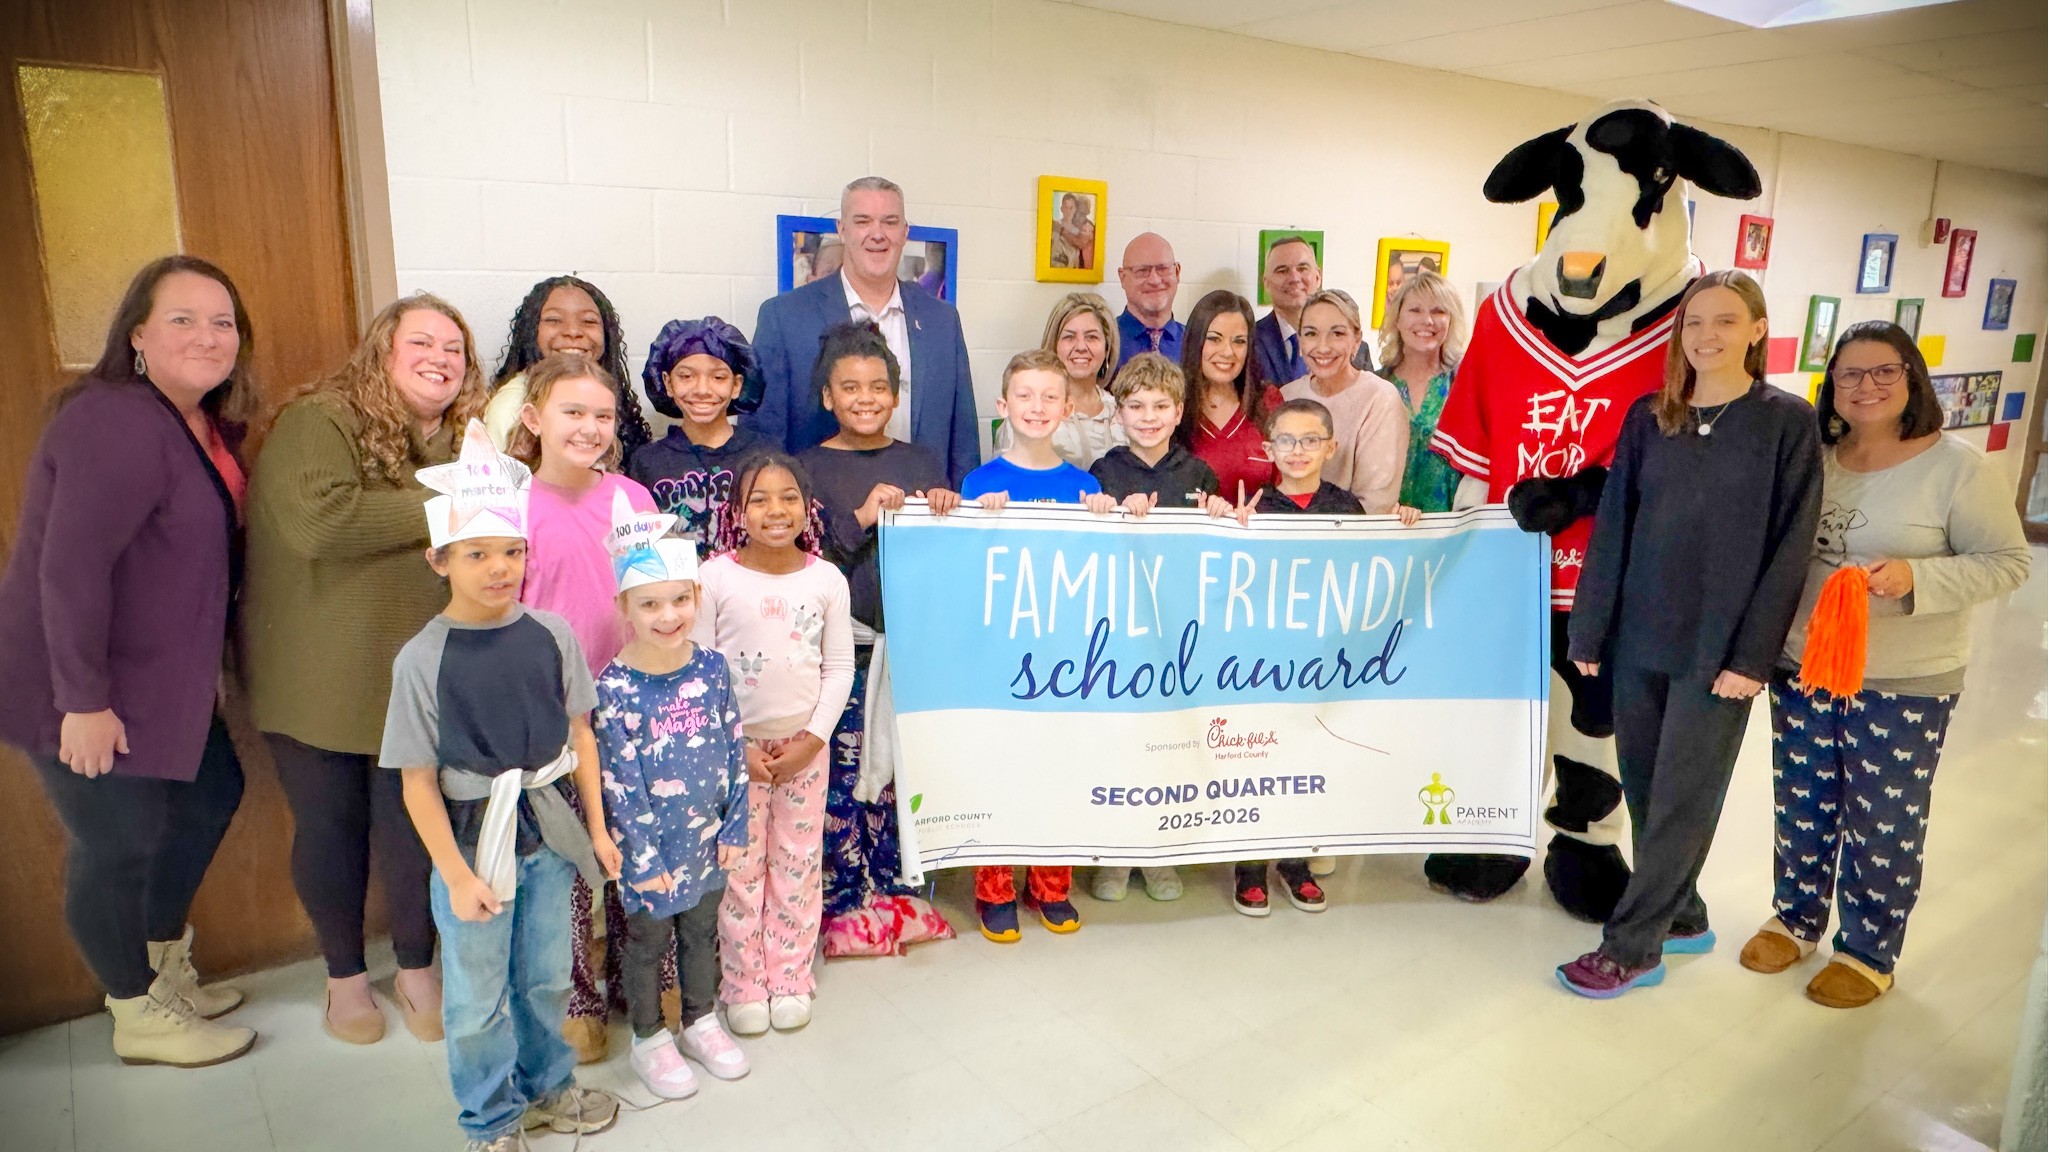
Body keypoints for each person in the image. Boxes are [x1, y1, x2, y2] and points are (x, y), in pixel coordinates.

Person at [0, 256, 257, 1068]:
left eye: (222, 322)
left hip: (160, 681)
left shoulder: (196, 423)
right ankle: (135, 1010)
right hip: (77, 682)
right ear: (138, 335)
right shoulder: (112, 418)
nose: (207, 336)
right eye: (182, 319)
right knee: (118, 842)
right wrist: (81, 701)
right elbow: (70, 568)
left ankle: (157, 964)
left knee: (212, 794)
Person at [1744, 321, 2030, 1008]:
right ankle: (1796, 918)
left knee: (1883, 818)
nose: (1865, 386)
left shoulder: (1957, 469)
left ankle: (1868, 950)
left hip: (1905, 678)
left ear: (1912, 378)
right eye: (1849, 373)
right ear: (1831, 385)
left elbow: (2008, 562)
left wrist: (1916, 578)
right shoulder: (1817, 457)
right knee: (1802, 802)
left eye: (1884, 371)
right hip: (1805, 665)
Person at [1560, 270, 1823, 999]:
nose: (1707, 335)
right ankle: (1683, 914)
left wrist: (1753, 657)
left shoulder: (1786, 422)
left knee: (1684, 794)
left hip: (1719, 649)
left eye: (1726, 320)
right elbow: (1615, 524)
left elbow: (1791, 546)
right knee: (1646, 787)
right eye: (1695, 322)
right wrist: (1590, 627)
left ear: (1757, 329)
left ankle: (1632, 947)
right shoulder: (1651, 418)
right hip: (1640, 637)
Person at [242, 292, 485, 1046]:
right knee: (330, 829)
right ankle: (344, 978)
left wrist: (473, 496)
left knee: (414, 828)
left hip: (415, 677)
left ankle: (417, 968)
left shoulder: (464, 443)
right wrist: (459, 505)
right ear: (382, 350)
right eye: (422, 342)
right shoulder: (320, 420)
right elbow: (320, 522)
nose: (440, 358)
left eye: (454, 348)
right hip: (316, 675)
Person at [381, 420, 623, 1152]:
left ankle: (547, 1088)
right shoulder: (421, 659)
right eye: (477, 553)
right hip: (472, 845)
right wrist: (455, 876)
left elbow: (581, 737)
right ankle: (490, 1120)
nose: (499, 568)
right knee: (476, 999)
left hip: (548, 836)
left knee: (546, 977)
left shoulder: (552, 634)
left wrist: (598, 832)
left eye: (512, 551)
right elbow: (417, 782)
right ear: (439, 559)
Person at [507, 351, 660, 1064]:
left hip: (631, 710)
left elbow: (659, 601)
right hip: (551, 719)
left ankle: (643, 982)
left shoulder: (632, 500)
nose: (590, 428)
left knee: (637, 849)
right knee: (567, 864)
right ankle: (576, 999)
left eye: (603, 415)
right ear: (533, 418)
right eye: (573, 412)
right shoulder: (512, 507)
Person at [798, 321, 962, 957]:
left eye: (877, 387)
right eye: (849, 387)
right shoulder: (808, 466)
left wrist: (945, 507)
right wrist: (862, 516)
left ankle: (899, 890)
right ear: (827, 397)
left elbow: (945, 557)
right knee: (843, 778)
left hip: (910, 651)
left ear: (895, 395)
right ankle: (843, 901)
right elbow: (806, 559)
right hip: (845, 652)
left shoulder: (920, 460)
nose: (864, 398)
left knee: (900, 773)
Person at [592, 496, 752, 1097]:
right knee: (647, 943)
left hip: (709, 844)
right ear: (623, 607)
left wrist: (735, 826)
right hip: (650, 856)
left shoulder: (711, 668)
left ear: (697, 597)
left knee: (702, 934)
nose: (668, 615)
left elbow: (734, 748)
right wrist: (642, 857)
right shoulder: (614, 688)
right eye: (650, 603)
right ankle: (648, 1037)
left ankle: (701, 1020)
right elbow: (619, 783)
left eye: (680, 599)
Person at [960, 349, 1118, 941]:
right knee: (998, 767)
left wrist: (1104, 518)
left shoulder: (1086, 486)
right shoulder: (979, 483)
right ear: (1003, 406)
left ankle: (1051, 885)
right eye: (1024, 396)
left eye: (1050, 396)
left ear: (1068, 407)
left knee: (1060, 768)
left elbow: (1100, 572)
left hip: (1065, 657)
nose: (1037, 406)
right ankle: (994, 889)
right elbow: (964, 570)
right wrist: (978, 521)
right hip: (1000, 655)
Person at [695, 453, 855, 1035]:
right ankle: (743, 983)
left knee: (796, 861)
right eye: (758, 499)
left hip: (804, 751)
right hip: (734, 752)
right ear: (737, 511)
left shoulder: (826, 579)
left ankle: (789, 975)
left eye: (788, 497)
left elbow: (839, 667)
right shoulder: (714, 578)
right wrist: (735, 747)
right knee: (740, 868)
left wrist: (812, 740)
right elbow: (700, 670)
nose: (775, 510)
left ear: (807, 508)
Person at [1083, 352, 1234, 904]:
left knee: (1169, 746)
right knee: (1123, 745)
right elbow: (1084, 546)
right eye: (1137, 406)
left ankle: (1160, 855)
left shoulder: (1199, 475)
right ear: (1118, 413)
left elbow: (1214, 550)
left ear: (1179, 412)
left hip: (1177, 636)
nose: (1148, 416)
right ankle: (1118, 857)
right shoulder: (1103, 472)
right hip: (1122, 635)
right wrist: (1103, 510)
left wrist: (1219, 515)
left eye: (1160, 406)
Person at [753, 176, 980, 485]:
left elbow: (963, 440)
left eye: (890, 222)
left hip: (922, 506)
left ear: (905, 232)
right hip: (823, 505)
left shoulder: (942, 320)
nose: (877, 234)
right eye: (863, 221)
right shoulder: (784, 317)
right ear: (842, 230)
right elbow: (764, 441)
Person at [1230, 397, 1362, 915]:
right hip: (1263, 664)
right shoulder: (1253, 509)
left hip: (1322, 663)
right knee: (1257, 758)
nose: (1298, 450)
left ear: (1331, 447)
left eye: (1310, 440)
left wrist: (1404, 524)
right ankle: (1248, 865)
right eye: (1286, 440)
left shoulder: (1348, 510)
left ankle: (1295, 861)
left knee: (1308, 761)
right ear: (1268, 449)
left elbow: (1372, 572)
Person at [625, 316, 766, 553]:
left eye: (718, 377)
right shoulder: (646, 462)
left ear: (736, 385)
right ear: (667, 383)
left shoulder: (765, 455)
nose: (702, 390)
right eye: (686, 376)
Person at [482, 275, 651, 460]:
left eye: (589, 321)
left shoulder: (606, 394)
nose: (573, 331)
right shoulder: (511, 406)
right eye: (554, 320)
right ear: (531, 331)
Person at [1279, 290, 1411, 515]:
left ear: (1356, 340)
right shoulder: (1285, 396)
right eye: (1311, 333)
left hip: (1354, 533)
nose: (1323, 347)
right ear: (1300, 340)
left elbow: (1375, 503)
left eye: (1337, 333)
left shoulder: (1380, 399)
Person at [997, 292, 1124, 468]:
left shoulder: (1122, 411)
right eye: (1069, 337)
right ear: (1054, 344)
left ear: (1107, 347)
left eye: (1092, 337)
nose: (1081, 347)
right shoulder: (1030, 414)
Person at [1176, 289, 1279, 507]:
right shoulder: (1172, 402)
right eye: (1215, 339)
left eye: (1239, 341)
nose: (1227, 352)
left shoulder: (1268, 401)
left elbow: (1287, 483)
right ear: (1195, 341)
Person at [1378, 270, 1467, 513]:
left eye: (1438, 311)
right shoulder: (1377, 385)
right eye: (1415, 310)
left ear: (1451, 320)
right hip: (1386, 523)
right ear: (1397, 319)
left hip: (1449, 525)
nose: (1427, 320)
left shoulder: (1465, 384)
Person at [1253, 236, 1375, 386]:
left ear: (1318, 277)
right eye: (1282, 270)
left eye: (1302, 268)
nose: (1294, 278)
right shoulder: (1249, 342)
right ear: (1266, 283)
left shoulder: (1355, 348)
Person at [1115, 232, 1183, 368]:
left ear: (1176, 273)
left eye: (1163, 269)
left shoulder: (1198, 345)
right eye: (1142, 271)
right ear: (1123, 278)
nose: (1154, 280)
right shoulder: (1102, 342)